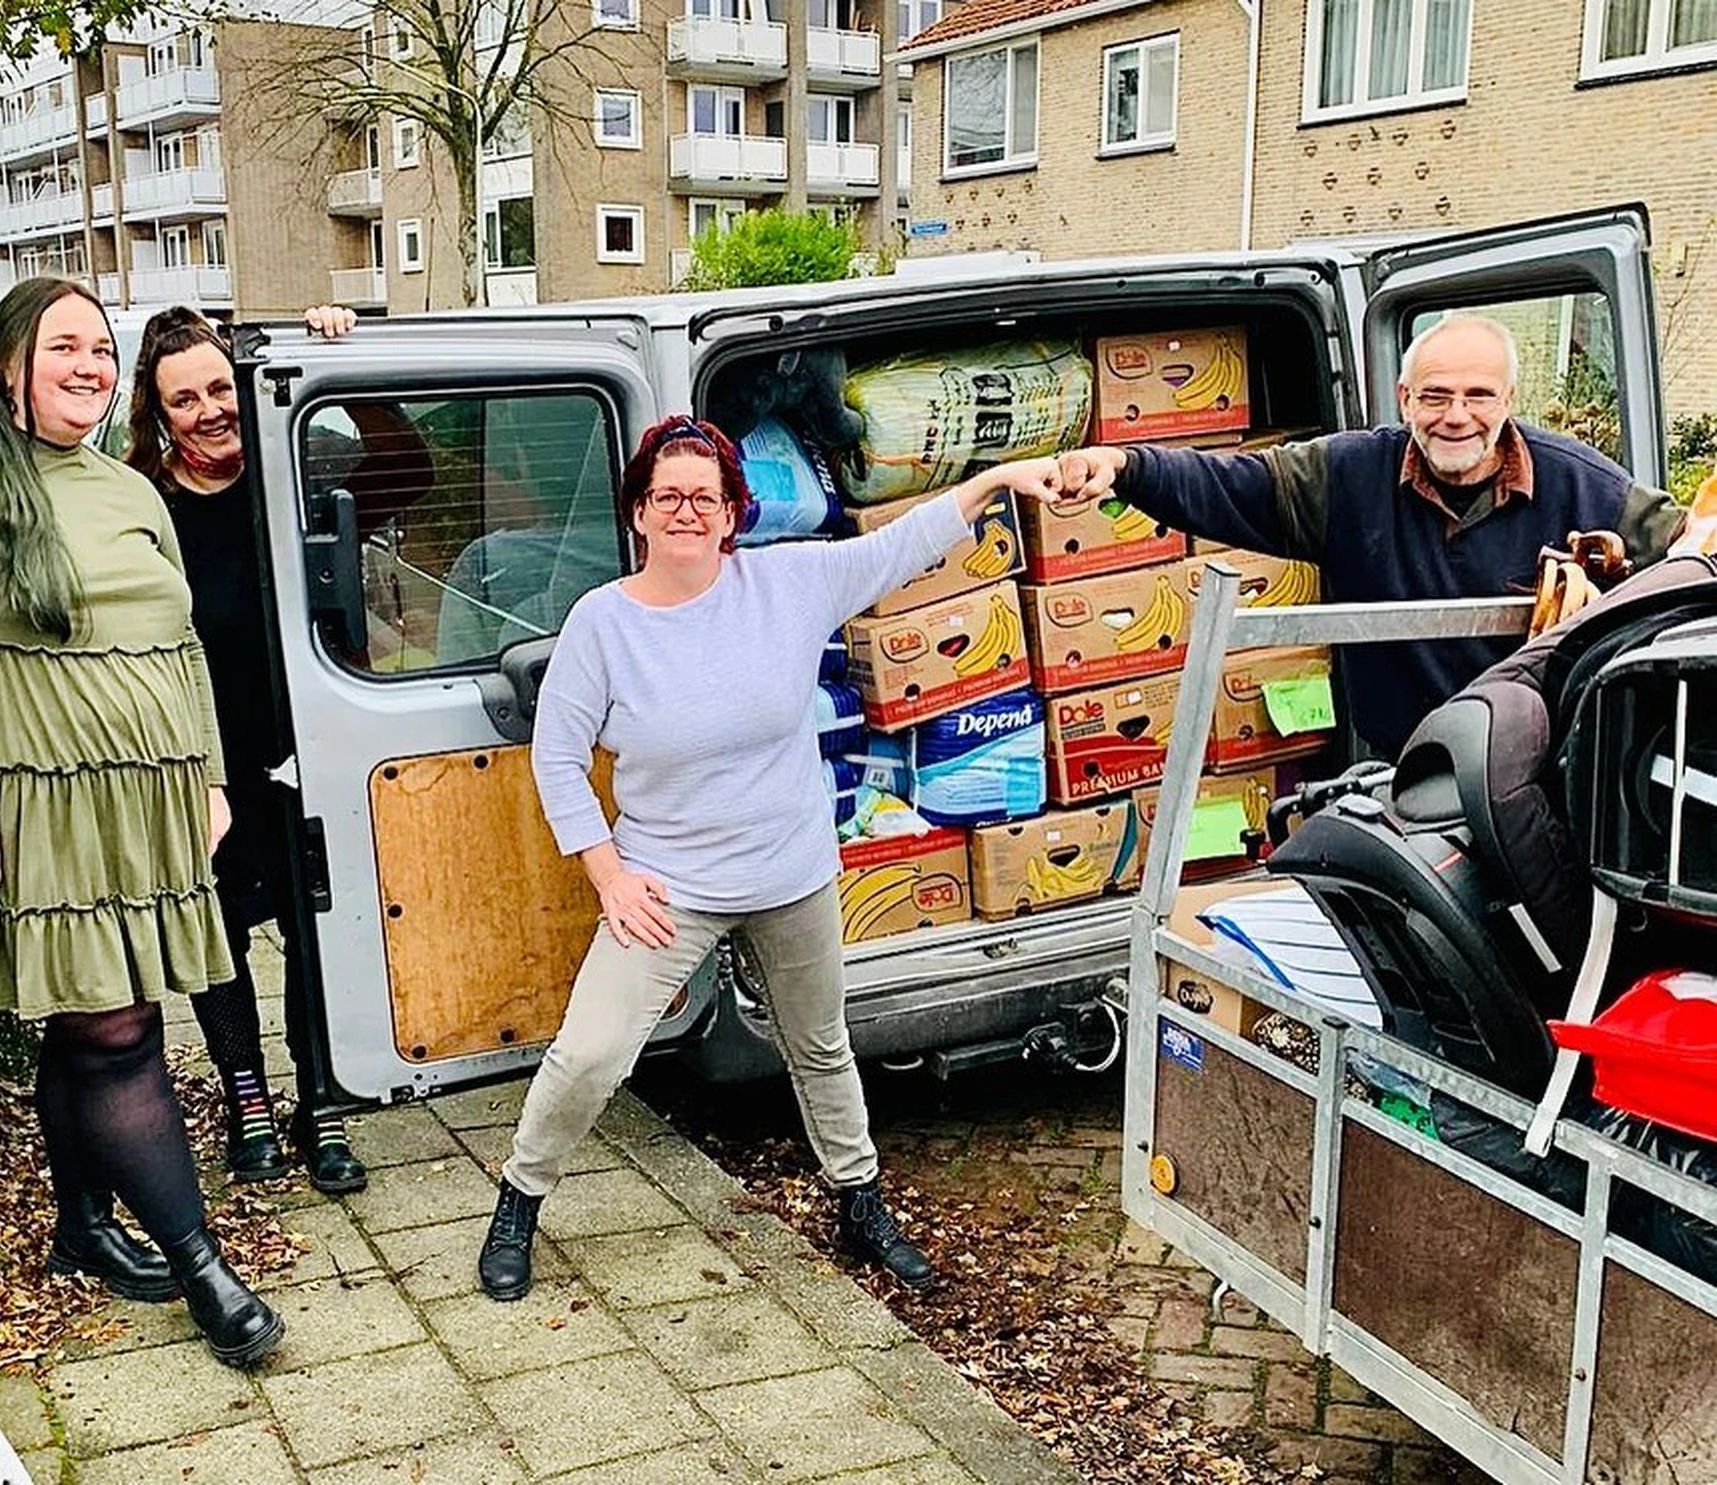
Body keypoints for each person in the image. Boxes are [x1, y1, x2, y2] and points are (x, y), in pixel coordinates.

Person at [476, 415, 1064, 1301]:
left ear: (730, 514)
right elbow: (557, 757)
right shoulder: (602, 624)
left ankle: (858, 1203)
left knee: (821, 1045)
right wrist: (608, 872)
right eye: (666, 496)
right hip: (666, 886)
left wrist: (997, 483)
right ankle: (520, 1197)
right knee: (592, 1051)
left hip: (791, 873)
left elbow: (901, 545)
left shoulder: (788, 584)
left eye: (703, 498)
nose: (685, 511)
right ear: (639, 513)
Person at [0, 277, 283, 1368]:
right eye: (65, 347)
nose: (91, 366)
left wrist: (208, 777)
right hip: (29, 803)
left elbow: (180, 646)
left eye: (103, 348)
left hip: (140, 804)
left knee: (81, 1016)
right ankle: (201, 1267)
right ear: (10, 363)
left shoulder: (126, 489)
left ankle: (81, 1229)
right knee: (120, 1025)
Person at [1055, 315, 1685, 757]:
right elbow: (1226, 484)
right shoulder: (1350, 476)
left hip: (1542, 767)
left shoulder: (1585, 487)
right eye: (1436, 396)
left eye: (1478, 396)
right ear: (1405, 397)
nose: (1456, 416)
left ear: (1509, 399)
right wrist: (1124, 467)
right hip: (1404, 769)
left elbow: (1692, 552)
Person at [123, 304, 370, 1194]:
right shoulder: (141, 503)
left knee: (317, 927)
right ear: (159, 414)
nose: (209, 410)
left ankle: (322, 1098)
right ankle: (247, 1101)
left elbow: (411, 472)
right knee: (218, 932)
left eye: (219, 386)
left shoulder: (294, 465)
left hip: (310, 741)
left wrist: (341, 352)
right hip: (201, 757)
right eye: (183, 400)